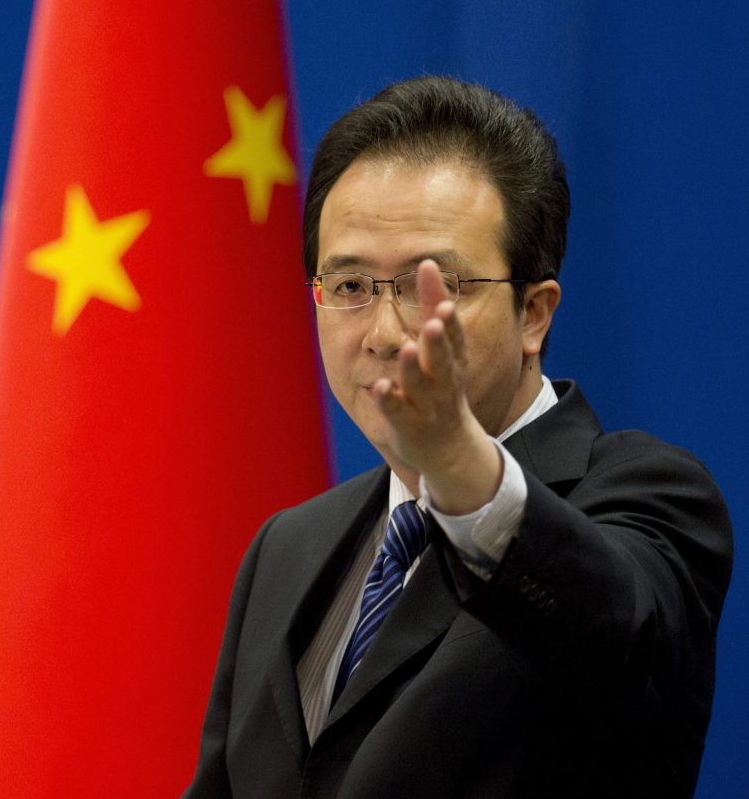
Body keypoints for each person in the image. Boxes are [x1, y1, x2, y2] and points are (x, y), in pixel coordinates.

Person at [182, 76, 732, 799]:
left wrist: (457, 465)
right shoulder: (288, 547)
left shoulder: (651, 497)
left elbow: (622, 639)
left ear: (533, 313)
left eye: (430, 288)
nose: (384, 333)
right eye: (349, 287)